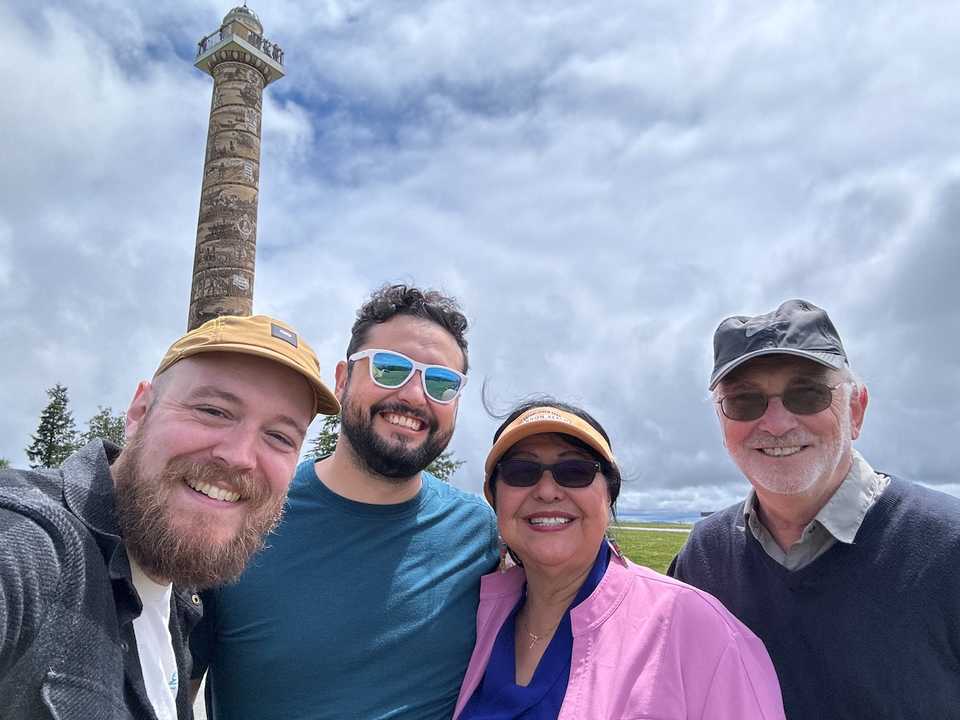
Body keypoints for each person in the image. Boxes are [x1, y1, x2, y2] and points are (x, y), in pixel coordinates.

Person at [0, 314, 338, 719]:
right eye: (214, 410)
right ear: (140, 410)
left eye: (280, 437)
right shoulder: (34, 544)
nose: (239, 456)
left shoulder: (175, 595)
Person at [190, 285, 500, 720]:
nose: (414, 395)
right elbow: (167, 686)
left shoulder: (478, 532)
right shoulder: (249, 511)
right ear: (341, 380)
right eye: (389, 369)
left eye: (442, 383)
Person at [668, 299, 960, 719]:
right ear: (722, 422)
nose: (776, 423)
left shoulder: (947, 547)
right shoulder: (705, 556)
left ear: (855, 410)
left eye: (807, 394)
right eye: (745, 401)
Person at [453, 400, 786, 719]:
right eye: (521, 471)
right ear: (493, 497)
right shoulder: (472, 614)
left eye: (575, 470)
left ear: (609, 495)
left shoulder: (702, 632)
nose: (547, 490)